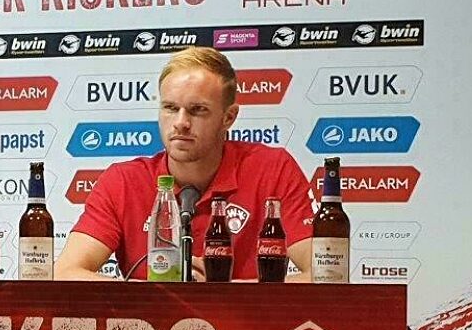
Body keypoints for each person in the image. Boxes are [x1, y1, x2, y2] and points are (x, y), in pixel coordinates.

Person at [55, 47, 314, 281]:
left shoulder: (273, 169)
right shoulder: (123, 181)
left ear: (228, 117)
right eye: (170, 108)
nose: (180, 122)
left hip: (247, 328)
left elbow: (324, 275)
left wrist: (224, 291)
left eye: (197, 110)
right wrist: (162, 294)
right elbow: (66, 273)